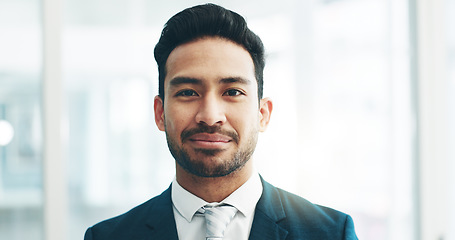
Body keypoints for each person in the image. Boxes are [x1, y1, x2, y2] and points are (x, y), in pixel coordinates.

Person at [84, 3, 358, 240]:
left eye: (232, 92)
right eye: (188, 92)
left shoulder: (330, 233)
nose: (211, 116)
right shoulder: (108, 236)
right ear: (160, 113)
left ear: (263, 114)